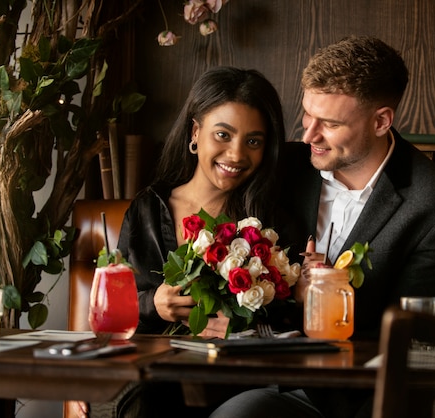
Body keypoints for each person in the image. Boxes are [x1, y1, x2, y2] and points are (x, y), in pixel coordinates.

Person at [210, 35, 435, 418]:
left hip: (377, 395)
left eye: (330, 123)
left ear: (382, 121)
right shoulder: (281, 167)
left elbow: (414, 336)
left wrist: (325, 301)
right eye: (307, 114)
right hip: (283, 388)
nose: (308, 135)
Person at [72, 65, 287, 418]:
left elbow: (289, 323)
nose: (235, 155)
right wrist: (152, 304)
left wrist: (244, 330)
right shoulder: (147, 209)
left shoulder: (269, 221)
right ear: (195, 132)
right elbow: (112, 315)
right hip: (149, 374)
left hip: (230, 383)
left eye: (253, 141)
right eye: (223, 135)